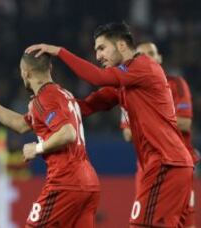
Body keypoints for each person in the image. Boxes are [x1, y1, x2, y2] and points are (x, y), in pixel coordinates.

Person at [26, 22, 194, 227]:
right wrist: (46, 108)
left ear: (122, 45)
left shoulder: (143, 67)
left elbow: (97, 78)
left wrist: (60, 52)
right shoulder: (124, 82)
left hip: (166, 162)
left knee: (141, 224)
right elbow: (86, 106)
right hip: (167, 163)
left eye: (102, 48)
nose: (98, 56)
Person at [0, 51, 100, 227]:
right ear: (49, 68)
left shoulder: (44, 99)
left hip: (66, 182)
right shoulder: (63, 94)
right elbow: (20, 124)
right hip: (89, 182)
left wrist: (37, 148)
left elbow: (68, 133)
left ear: (25, 73)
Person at [120, 41, 199, 228]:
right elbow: (127, 133)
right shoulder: (128, 90)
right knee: (143, 222)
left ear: (160, 58)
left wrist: (147, 117)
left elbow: (186, 123)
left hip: (176, 165)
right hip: (147, 167)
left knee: (184, 221)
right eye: (142, 55)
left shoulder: (176, 84)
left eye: (151, 53)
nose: (147, 58)